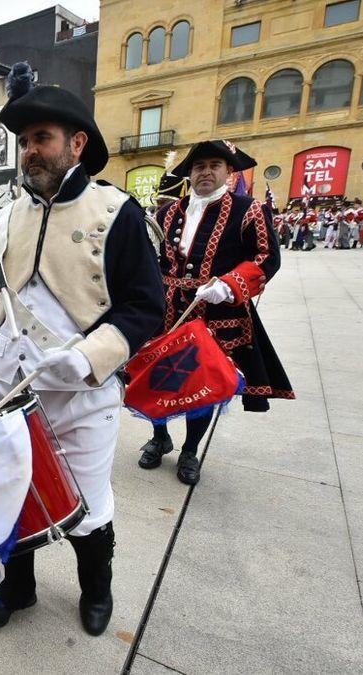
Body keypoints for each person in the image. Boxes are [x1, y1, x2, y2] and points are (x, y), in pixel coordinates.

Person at [0, 62, 164, 636]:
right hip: (7, 386)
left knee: (88, 507)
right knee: (10, 492)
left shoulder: (117, 212)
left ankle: (97, 588)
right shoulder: (3, 217)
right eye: (24, 142)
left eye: (41, 138)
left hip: (83, 392)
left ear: (77, 143)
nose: (30, 152)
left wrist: (91, 357)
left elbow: (146, 306)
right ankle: (18, 588)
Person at [137, 140, 294, 485]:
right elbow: (150, 259)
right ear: (190, 174)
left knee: (203, 384)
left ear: (229, 171)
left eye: (214, 166)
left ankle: (190, 450)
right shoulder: (166, 213)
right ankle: (160, 436)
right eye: (199, 167)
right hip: (166, 309)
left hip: (215, 313)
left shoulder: (248, 210)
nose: (206, 172)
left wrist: (230, 283)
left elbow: (267, 258)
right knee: (158, 374)